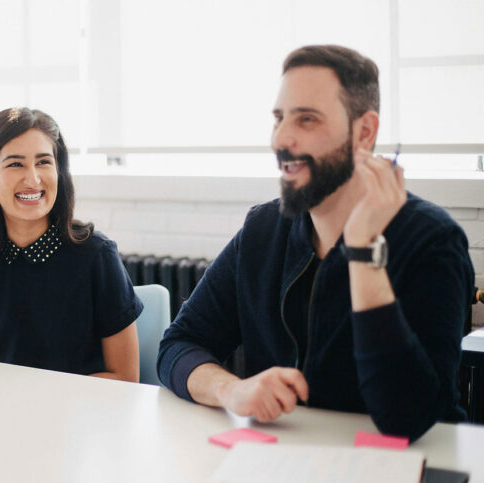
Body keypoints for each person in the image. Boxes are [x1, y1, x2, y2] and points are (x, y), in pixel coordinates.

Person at [157, 45, 474, 441]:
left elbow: (406, 418)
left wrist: (363, 252)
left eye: (307, 119)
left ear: (364, 132)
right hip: (283, 456)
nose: (282, 139)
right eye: (279, 118)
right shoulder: (263, 229)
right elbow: (178, 345)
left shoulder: (433, 241)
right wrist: (232, 389)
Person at [0, 107, 142, 382]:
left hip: (85, 417)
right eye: (15, 164)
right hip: (3, 415)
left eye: (43, 162)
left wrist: (37, 401)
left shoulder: (96, 255)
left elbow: (125, 378)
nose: (33, 179)